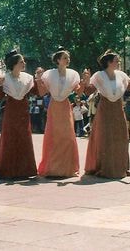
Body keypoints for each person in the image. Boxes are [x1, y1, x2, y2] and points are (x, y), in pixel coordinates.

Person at [84, 50, 130, 178]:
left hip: (118, 109)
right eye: (116, 60)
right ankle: (104, 168)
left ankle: (121, 167)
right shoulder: (98, 76)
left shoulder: (122, 75)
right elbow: (88, 91)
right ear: (109, 62)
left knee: (121, 137)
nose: (118, 62)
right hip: (104, 109)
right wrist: (86, 80)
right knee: (105, 138)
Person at [35, 47, 87, 177]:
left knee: (68, 137)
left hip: (65, 106)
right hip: (54, 107)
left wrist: (84, 82)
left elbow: (79, 92)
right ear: (58, 60)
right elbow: (42, 93)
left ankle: (68, 168)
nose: (68, 60)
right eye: (65, 57)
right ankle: (53, 168)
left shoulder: (73, 74)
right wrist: (39, 81)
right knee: (53, 136)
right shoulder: (49, 74)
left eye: (68, 58)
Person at [0, 50, 38, 179]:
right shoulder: (5, 78)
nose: (24, 63)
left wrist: (39, 81)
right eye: (21, 62)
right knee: (10, 136)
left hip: (23, 110)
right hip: (11, 110)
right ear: (14, 64)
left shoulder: (28, 78)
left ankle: (25, 170)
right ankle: (8, 170)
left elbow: (36, 92)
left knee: (24, 137)